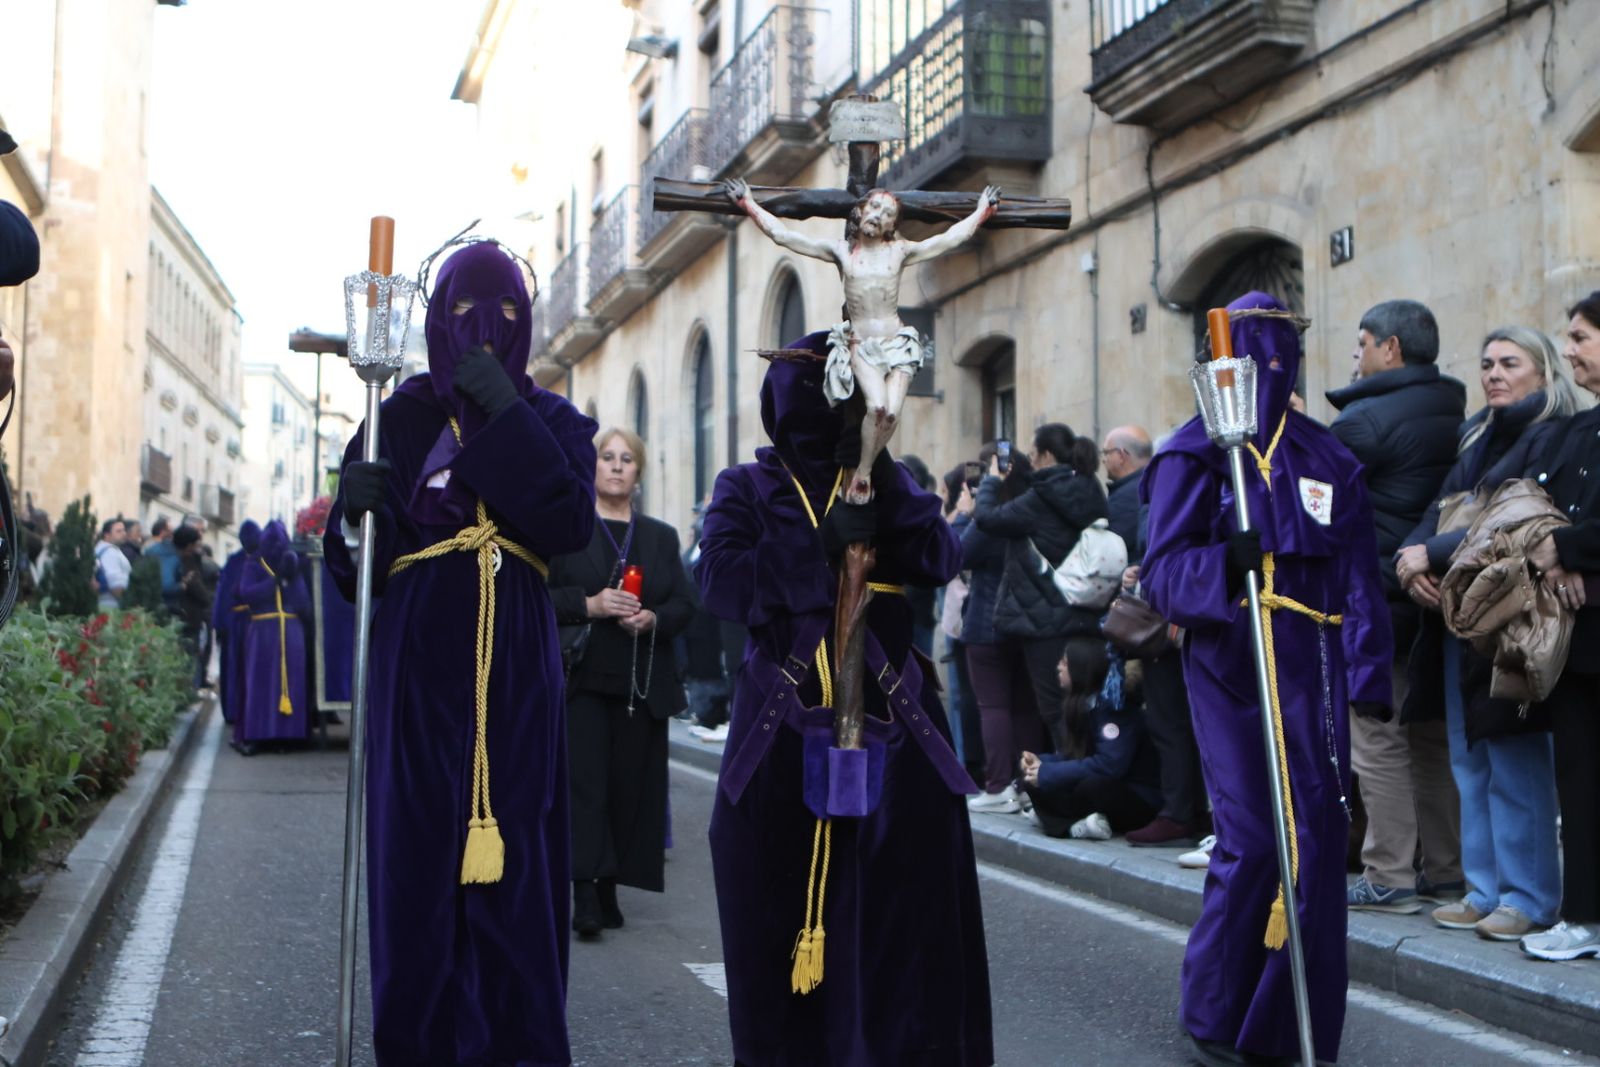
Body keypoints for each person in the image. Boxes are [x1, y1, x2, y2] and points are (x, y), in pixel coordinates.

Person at [327, 238, 596, 1066]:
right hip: (416, 666)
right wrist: (350, 512)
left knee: (515, 878)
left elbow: (568, 526)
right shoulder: (397, 417)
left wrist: (505, 416)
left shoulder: (555, 422)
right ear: (438, 319)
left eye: (510, 311)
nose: (487, 327)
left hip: (514, 666)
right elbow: (353, 577)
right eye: (466, 310)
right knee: (414, 875)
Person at [698, 336, 991, 1067]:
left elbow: (940, 557)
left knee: (900, 932)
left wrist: (879, 469)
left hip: (895, 740)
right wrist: (816, 551)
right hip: (780, 745)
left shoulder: (884, 477)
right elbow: (721, 585)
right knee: (780, 921)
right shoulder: (745, 487)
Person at [1141, 292, 1393, 1066]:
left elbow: (1357, 574)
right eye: (1258, 351)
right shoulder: (1193, 453)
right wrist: (1224, 564)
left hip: (1308, 667)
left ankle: (1287, 1022)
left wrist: (1370, 671)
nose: (1273, 366)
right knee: (1253, 840)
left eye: (1285, 350)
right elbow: (1162, 573)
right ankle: (1216, 1010)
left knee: (1315, 842)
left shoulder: (1327, 457)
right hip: (1230, 666)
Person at [1395, 325, 1579, 942]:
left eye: (1510, 362)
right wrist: (1412, 556)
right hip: (1458, 614)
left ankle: (1528, 897)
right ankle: (1485, 889)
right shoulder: (1475, 435)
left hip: (1513, 614)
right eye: (1487, 362)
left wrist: (1431, 554)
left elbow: (1518, 526)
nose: (1495, 372)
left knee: (1515, 754)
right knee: (1468, 756)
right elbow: (1441, 507)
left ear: (1543, 371)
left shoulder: (1552, 432)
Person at [723, 178, 999, 503]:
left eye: (887, 213)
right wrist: (749, 205)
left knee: (892, 414)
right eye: (874, 207)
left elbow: (948, 239)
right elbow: (784, 235)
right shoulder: (842, 252)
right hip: (862, 345)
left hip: (896, 342)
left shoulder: (899, 251)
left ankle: (865, 472)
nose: (878, 215)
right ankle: (864, 473)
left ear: (892, 225)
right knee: (878, 406)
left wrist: (982, 212)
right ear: (861, 210)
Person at [1328, 298, 1467, 914]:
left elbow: (1316, 507)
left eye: (1362, 343)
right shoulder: (1455, 407)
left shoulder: (1366, 420)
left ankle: (1388, 873)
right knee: (1431, 737)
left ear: (1391, 349)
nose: (1355, 358)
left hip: (1378, 601)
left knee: (1379, 738)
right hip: (1435, 600)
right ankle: (1445, 869)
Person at [547, 427, 697, 939]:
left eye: (626, 458)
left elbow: (684, 603)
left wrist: (652, 617)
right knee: (585, 786)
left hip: (640, 679)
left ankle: (610, 885)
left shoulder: (659, 536)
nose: (615, 466)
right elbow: (539, 596)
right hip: (582, 676)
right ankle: (584, 893)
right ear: (591, 468)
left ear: (639, 471)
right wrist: (589, 605)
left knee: (629, 789)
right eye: (606, 457)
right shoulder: (565, 528)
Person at [1520, 291, 1600, 963]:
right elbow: (1540, 511)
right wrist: (1554, 557)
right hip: (1575, 637)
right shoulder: (1577, 429)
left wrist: (1571, 552)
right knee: (1578, 779)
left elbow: (1569, 534)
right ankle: (1583, 917)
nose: (1568, 349)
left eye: (1579, 337)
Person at [972, 423, 1109, 754]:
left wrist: (992, 480)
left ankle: (1071, 792)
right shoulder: (1090, 488)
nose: (1031, 462)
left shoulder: (1042, 496)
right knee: (1082, 704)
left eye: (1033, 454)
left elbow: (988, 518)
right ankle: (1089, 784)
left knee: (1054, 709)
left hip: (1045, 619)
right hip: (1086, 613)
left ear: (1047, 455)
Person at [962, 445, 1045, 812]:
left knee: (993, 706)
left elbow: (958, 555)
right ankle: (1029, 784)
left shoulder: (988, 517)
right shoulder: (1034, 507)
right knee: (1026, 708)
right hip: (1028, 622)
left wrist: (964, 515)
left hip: (987, 620)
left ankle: (997, 786)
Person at [1020, 641, 1162, 841]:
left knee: (1091, 786)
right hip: (1105, 782)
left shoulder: (1113, 709)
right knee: (1032, 779)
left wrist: (1048, 772)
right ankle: (1073, 822)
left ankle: (1060, 821)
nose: (1058, 667)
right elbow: (1076, 756)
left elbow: (1110, 765)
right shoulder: (1080, 704)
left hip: (1138, 796)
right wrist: (1040, 763)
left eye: (1065, 663)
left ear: (1080, 670)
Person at [233, 520, 307, 754]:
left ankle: (285, 736)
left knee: (288, 684)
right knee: (261, 684)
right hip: (263, 632)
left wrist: (290, 579)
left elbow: (303, 602)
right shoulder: (253, 564)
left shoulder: (290, 565)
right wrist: (274, 582)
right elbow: (247, 594)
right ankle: (258, 734)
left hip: (289, 630)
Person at [211, 520, 261, 724]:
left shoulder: (235, 561)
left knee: (237, 667)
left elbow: (221, 595)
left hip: (241, 622)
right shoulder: (250, 561)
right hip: (249, 623)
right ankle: (241, 710)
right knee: (240, 667)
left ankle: (238, 710)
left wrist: (219, 623)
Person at [1101, 425, 1152, 555]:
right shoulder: (1157, 482)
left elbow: (1110, 553)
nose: (1103, 459)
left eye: (1106, 453)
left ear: (1121, 456)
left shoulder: (1125, 497)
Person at [94, 518, 131, 609]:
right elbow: (116, 585)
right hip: (111, 604)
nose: (124, 534)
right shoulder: (110, 553)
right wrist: (127, 601)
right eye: (118, 531)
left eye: (124, 530)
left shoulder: (104, 549)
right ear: (107, 535)